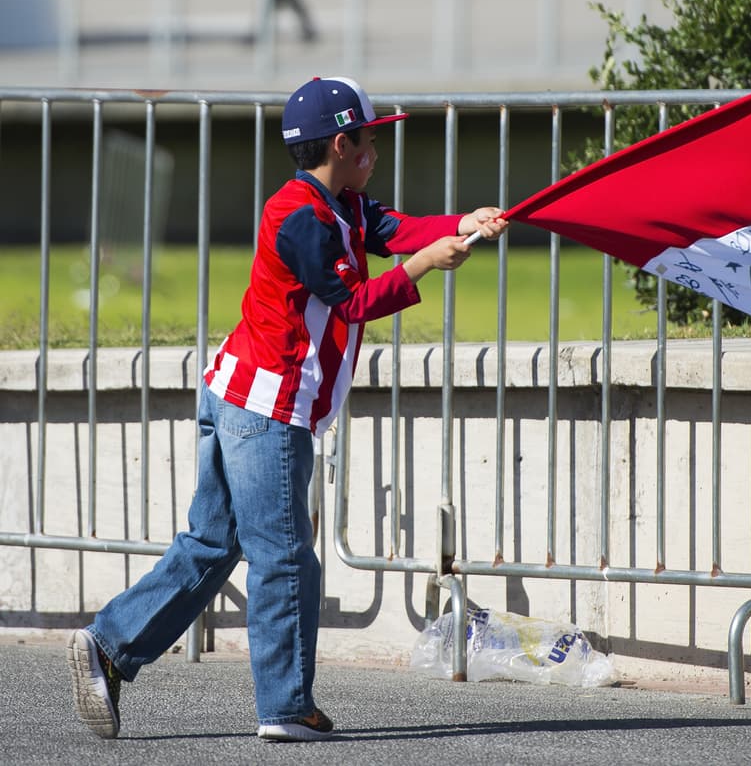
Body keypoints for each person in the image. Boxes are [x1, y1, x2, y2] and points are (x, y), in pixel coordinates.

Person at [66, 75, 508, 743]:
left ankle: (107, 646)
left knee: (213, 544)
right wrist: (423, 265)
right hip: (264, 409)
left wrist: (463, 224)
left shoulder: (343, 203)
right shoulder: (300, 216)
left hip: (241, 395)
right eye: (370, 139)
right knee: (286, 558)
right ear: (341, 142)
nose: (376, 150)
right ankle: (284, 704)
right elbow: (352, 299)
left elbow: (398, 227)